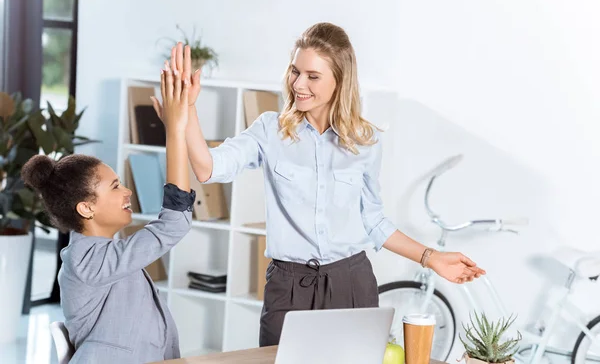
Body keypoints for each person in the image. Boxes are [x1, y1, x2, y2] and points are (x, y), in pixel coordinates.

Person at [154, 22, 486, 348]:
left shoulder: (364, 141)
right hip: (289, 286)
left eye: (313, 76)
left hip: (351, 282)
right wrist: (188, 109)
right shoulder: (270, 130)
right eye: (295, 71)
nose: (299, 83)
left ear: (340, 81)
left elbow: (374, 222)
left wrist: (432, 257)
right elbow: (207, 168)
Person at [21, 66, 193, 363]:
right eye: (115, 186)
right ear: (86, 208)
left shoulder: (100, 255)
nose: (127, 191)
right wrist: (176, 132)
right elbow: (173, 224)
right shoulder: (89, 262)